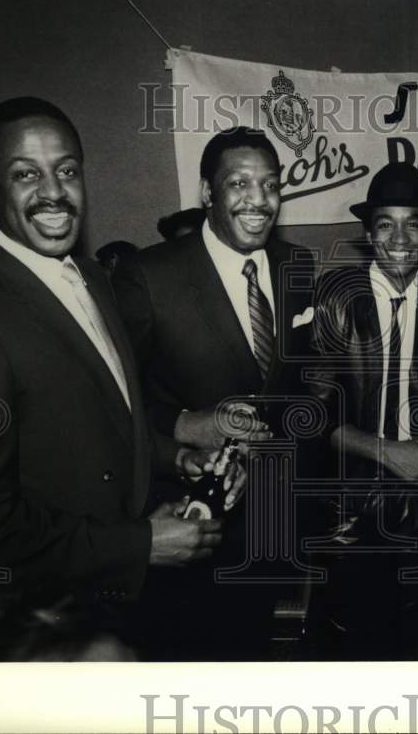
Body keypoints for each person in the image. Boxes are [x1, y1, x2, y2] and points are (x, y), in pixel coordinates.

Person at [0, 97, 227, 659]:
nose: (53, 192)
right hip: (41, 638)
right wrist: (138, 545)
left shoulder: (94, 279)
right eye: (26, 174)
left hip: (115, 615)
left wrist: (173, 458)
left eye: (67, 170)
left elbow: (95, 424)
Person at [113, 126, 315, 658]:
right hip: (189, 526)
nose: (259, 200)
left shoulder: (298, 268)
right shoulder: (148, 277)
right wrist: (185, 426)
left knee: (254, 661)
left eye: (270, 185)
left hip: (272, 520)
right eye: (239, 183)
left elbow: (305, 383)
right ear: (207, 193)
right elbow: (115, 402)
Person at [307, 162, 418, 658]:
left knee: (408, 631)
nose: (400, 237)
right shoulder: (335, 297)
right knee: (344, 634)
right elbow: (312, 419)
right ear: (369, 235)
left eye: (412, 223)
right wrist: (388, 452)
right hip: (346, 501)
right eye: (385, 224)